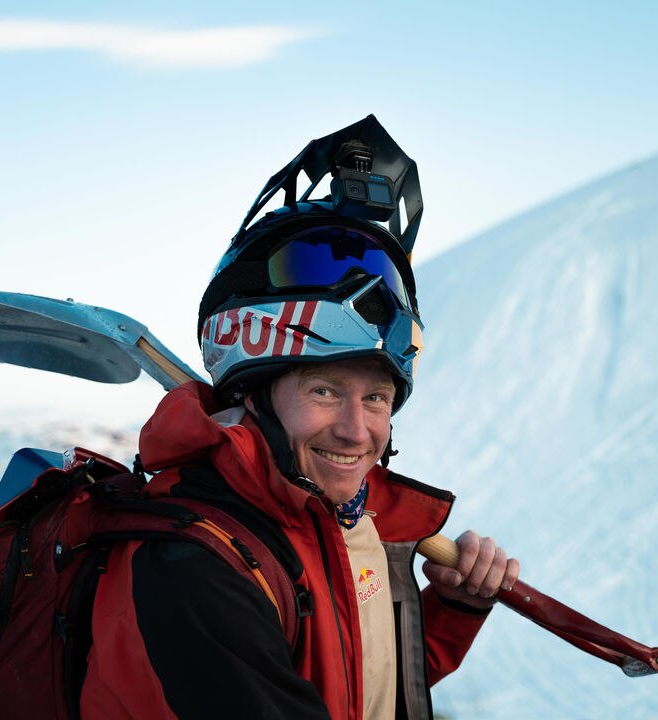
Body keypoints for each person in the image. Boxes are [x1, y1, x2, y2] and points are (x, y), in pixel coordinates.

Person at [79, 117, 518, 720]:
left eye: (376, 398)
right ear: (254, 395)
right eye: (324, 390)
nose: (356, 431)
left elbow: (362, 683)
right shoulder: (198, 565)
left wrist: (456, 609)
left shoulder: (345, 522)